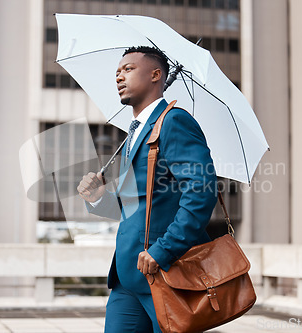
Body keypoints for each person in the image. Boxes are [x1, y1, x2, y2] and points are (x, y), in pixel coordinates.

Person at [77, 46, 217, 332]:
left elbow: (201, 192)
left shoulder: (174, 121)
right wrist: (98, 199)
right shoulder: (136, 132)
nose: (119, 76)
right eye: (117, 71)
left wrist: (163, 251)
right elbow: (136, 207)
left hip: (165, 272)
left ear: (156, 75)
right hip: (126, 278)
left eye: (128, 69)